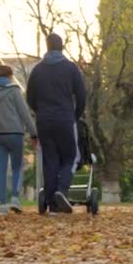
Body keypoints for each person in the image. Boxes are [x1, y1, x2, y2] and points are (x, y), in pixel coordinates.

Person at [27, 33, 86, 214]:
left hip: (44, 121)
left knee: (50, 160)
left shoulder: (38, 70)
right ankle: (61, 190)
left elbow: (30, 97)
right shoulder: (71, 68)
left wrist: (40, 112)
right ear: (62, 47)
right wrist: (75, 115)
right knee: (69, 158)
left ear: (47, 47)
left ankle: (53, 205)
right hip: (65, 119)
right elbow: (82, 95)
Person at [0, 65, 38, 215]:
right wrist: (33, 133)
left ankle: (3, 205)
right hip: (14, 133)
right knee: (17, 166)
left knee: (0, 168)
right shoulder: (14, 90)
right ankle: (15, 198)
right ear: (10, 76)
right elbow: (24, 113)